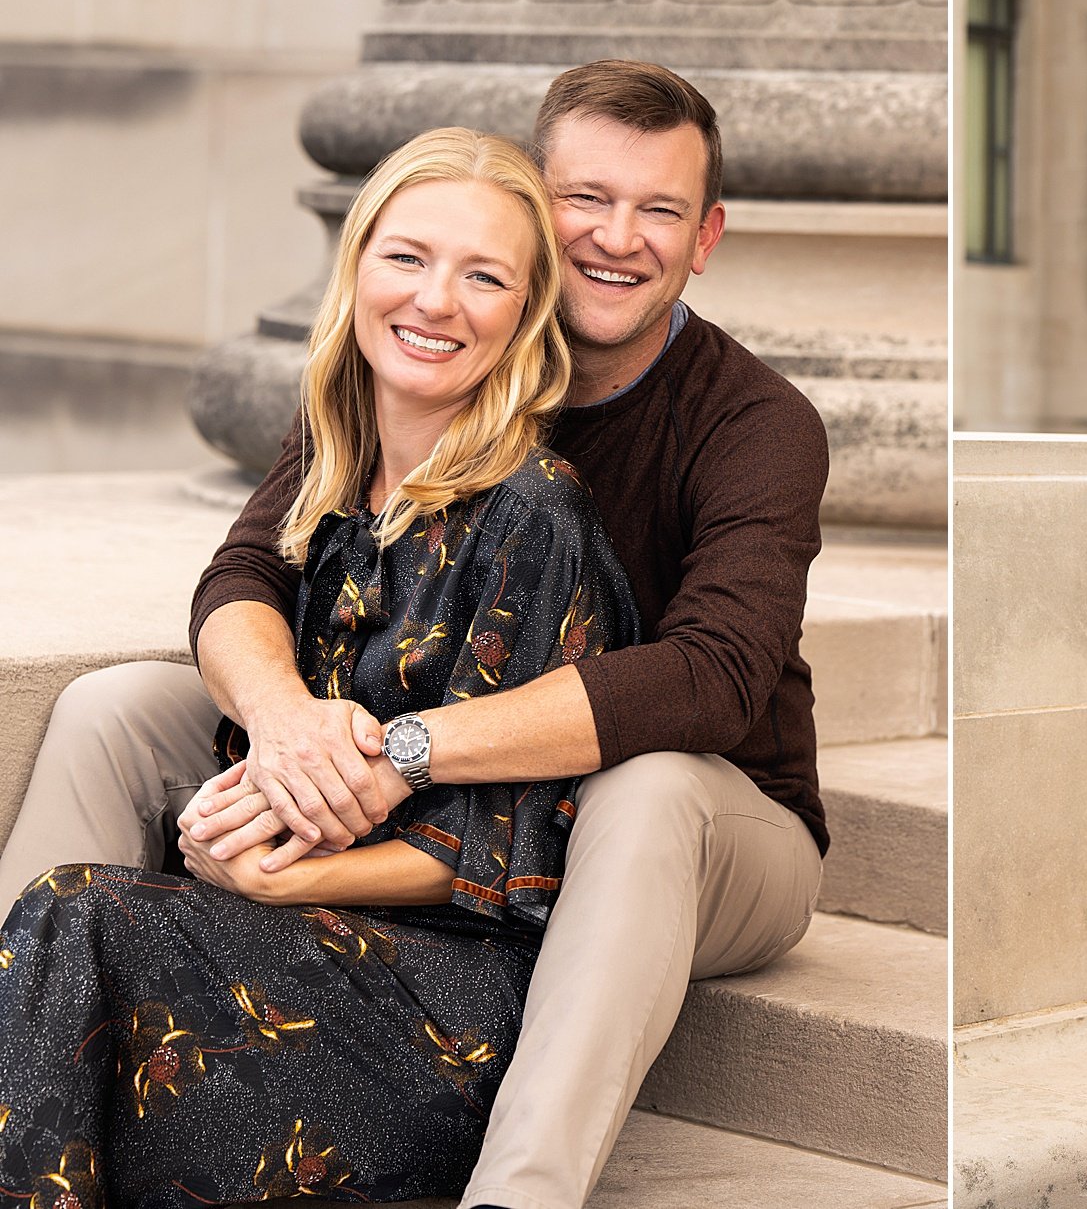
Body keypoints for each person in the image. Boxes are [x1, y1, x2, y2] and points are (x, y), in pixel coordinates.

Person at [0, 62, 830, 1209]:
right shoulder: (429, 365)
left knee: (641, 794)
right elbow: (247, 568)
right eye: (587, 197)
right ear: (539, 207)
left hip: (706, 812)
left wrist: (389, 756)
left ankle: (519, 1188)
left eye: (661, 209)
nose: (617, 236)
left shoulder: (752, 422)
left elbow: (712, 679)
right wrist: (289, 726)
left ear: (706, 236)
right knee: (115, 707)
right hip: (420, 776)